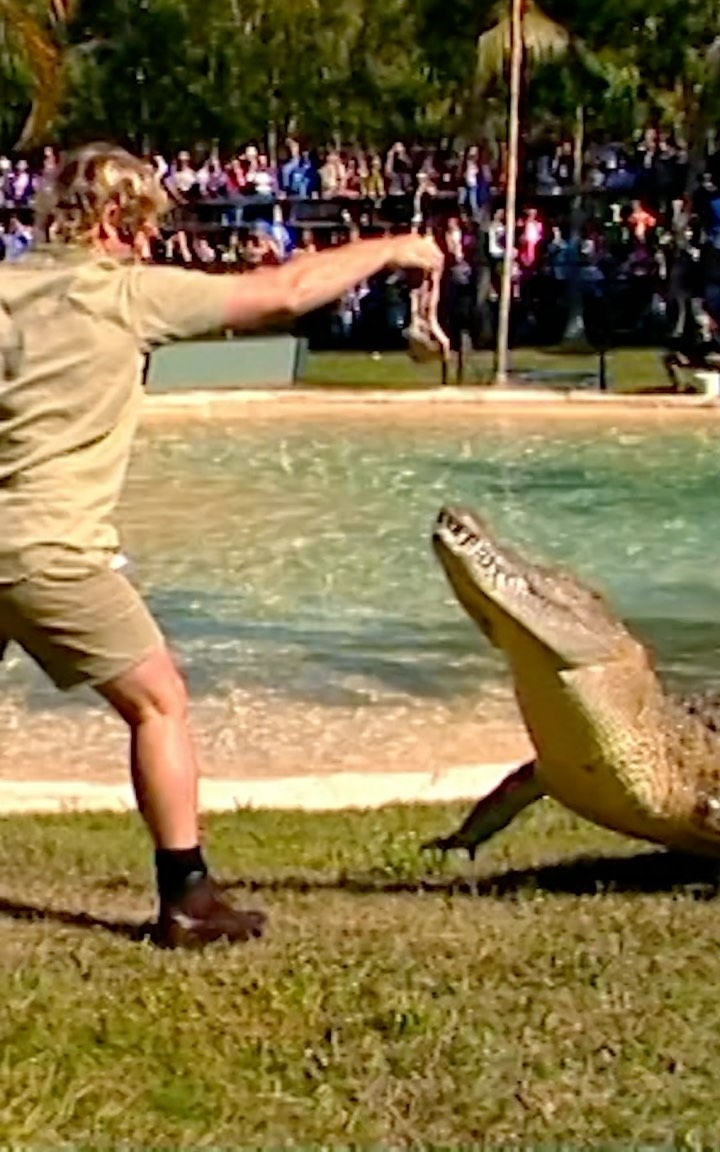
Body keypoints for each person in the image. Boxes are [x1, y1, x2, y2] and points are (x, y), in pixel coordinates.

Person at [0, 142, 444, 949]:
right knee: (158, 701)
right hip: (48, 549)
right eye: (139, 225)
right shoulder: (123, 294)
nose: (146, 241)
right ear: (113, 220)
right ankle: (187, 896)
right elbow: (284, 292)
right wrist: (394, 248)